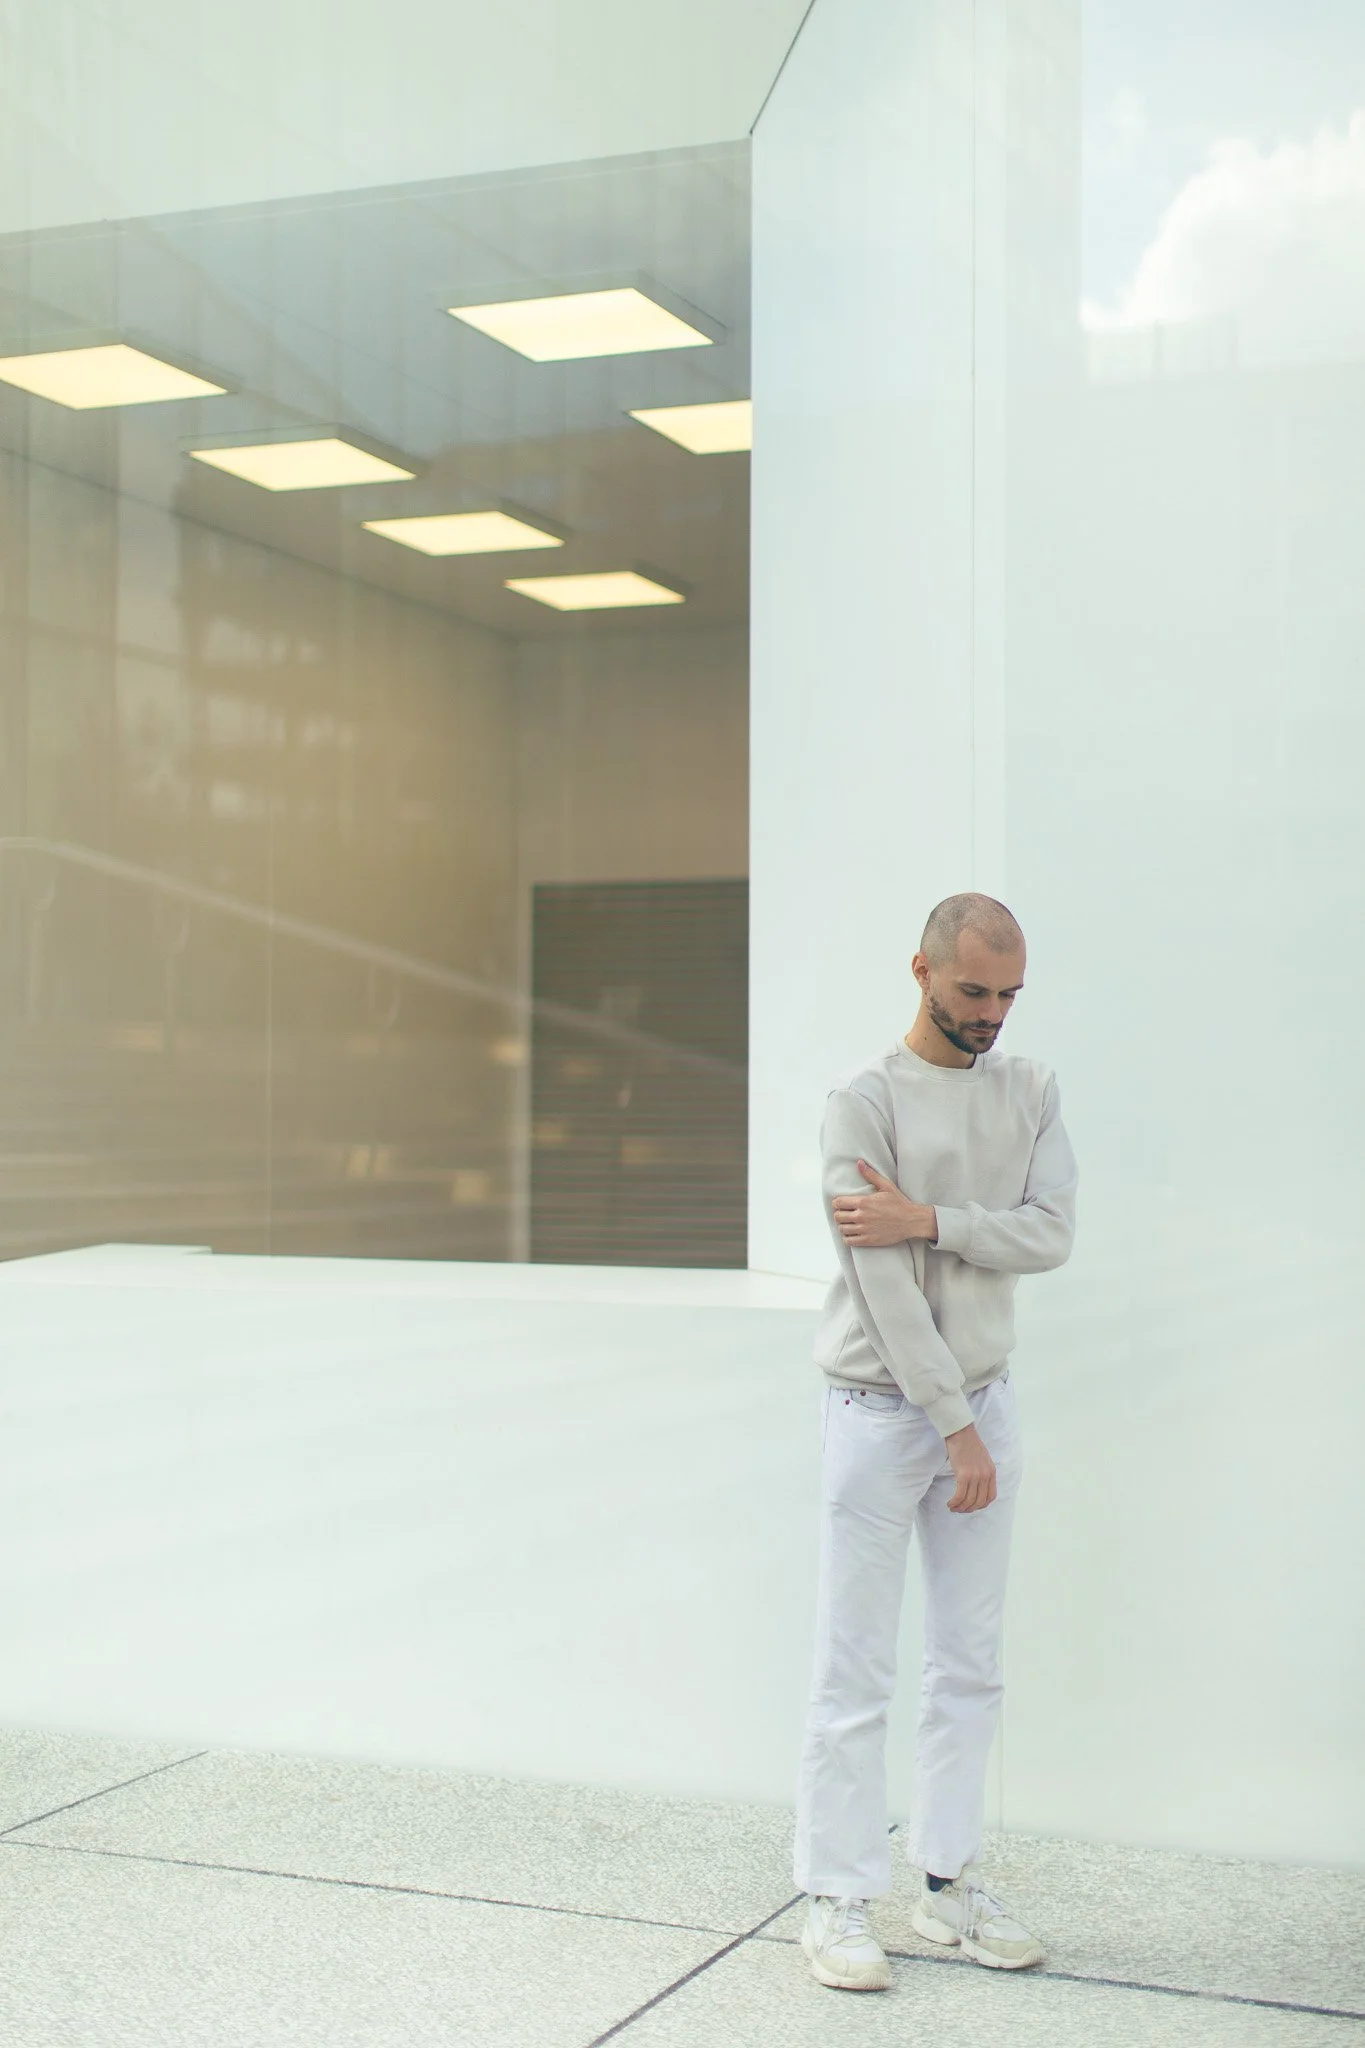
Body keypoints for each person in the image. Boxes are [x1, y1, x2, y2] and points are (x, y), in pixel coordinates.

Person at [795, 892, 1077, 1991]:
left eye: (1009, 993)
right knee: (853, 1663)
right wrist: (954, 1424)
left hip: (985, 1401)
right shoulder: (862, 1102)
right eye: (973, 991)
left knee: (971, 1661)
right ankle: (836, 1895)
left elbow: (1052, 1232)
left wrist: (934, 1221)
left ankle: (947, 1883)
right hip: (880, 1411)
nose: (992, 1013)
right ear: (920, 970)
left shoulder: (1033, 1088)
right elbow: (882, 1288)